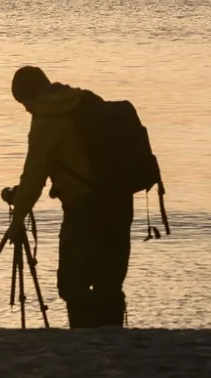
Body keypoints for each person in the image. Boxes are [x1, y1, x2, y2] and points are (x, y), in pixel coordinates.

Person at [7, 65, 134, 328]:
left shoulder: (47, 117)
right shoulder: (83, 100)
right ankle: (113, 341)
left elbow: (34, 175)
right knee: (108, 281)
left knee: (72, 283)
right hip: (120, 200)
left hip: (84, 207)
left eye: (23, 103)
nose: (26, 110)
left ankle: (84, 340)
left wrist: (17, 218)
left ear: (30, 97)